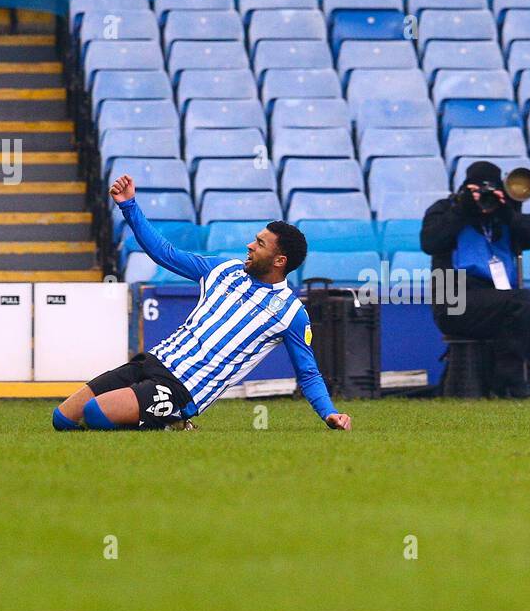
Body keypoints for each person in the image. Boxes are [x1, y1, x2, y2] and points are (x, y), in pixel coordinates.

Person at [53, 175, 352, 432]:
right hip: (153, 361)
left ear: (279, 261)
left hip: (181, 389)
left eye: (259, 244)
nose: (250, 245)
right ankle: (158, 419)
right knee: (62, 419)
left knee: (96, 413)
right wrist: (129, 205)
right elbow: (165, 253)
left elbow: (308, 372)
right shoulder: (224, 269)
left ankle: (175, 420)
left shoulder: (290, 313)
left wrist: (329, 413)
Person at [420, 160, 530, 396]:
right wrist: (463, 210)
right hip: (455, 301)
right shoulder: (446, 209)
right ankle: (508, 383)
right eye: (478, 192)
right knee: (522, 301)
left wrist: (507, 213)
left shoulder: (504, 215)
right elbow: (430, 242)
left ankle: (526, 371)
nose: (484, 198)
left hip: (500, 299)